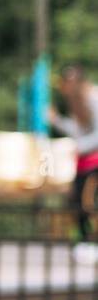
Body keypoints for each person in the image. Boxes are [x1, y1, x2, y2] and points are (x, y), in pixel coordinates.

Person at [47, 64, 98, 252]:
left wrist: (77, 146)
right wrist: (57, 120)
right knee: (77, 202)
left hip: (94, 161)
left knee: (86, 202)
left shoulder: (93, 97)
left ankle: (90, 241)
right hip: (84, 161)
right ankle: (85, 240)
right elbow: (78, 131)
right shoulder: (77, 102)